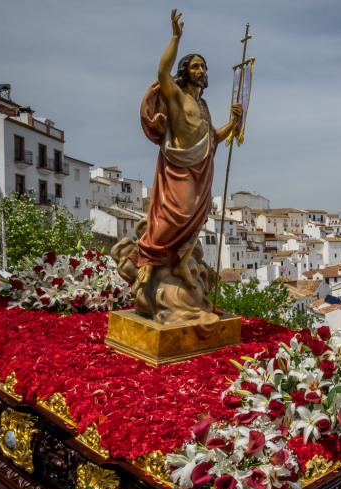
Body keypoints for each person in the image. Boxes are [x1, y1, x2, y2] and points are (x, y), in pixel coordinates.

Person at [130, 9, 242, 290]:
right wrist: (176, 38)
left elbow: (212, 138)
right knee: (177, 213)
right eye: (195, 66)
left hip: (202, 166)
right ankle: (147, 257)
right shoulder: (176, 95)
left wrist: (234, 122)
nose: (201, 71)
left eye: (203, 67)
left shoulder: (203, 105)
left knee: (197, 216)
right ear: (185, 71)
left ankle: (181, 264)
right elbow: (161, 72)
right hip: (180, 166)